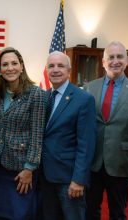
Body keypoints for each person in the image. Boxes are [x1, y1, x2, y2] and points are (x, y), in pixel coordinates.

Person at [84, 41, 128, 220]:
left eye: (120, 56)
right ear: (103, 62)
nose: (115, 61)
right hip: (92, 162)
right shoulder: (90, 88)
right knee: (90, 210)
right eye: (111, 57)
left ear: (126, 61)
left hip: (122, 163)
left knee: (118, 213)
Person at [0, 47, 46, 220]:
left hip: (21, 169)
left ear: (22, 66)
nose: (10, 68)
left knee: (20, 214)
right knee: (0, 213)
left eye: (14, 63)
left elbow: (38, 133)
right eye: (5, 64)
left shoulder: (35, 94)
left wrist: (29, 168)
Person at [40, 51, 96, 220]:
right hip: (44, 176)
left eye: (60, 66)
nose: (55, 70)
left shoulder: (83, 99)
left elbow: (86, 144)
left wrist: (79, 180)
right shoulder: (44, 96)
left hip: (69, 179)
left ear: (69, 70)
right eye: (51, 66)